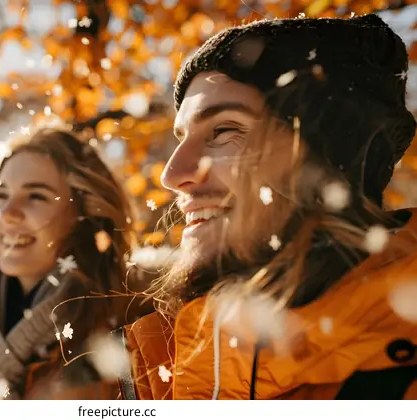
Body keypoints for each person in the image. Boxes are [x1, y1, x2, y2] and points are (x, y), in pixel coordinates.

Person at [116, 14, 417, 400]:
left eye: (224, 130)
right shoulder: (149, 372)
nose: (172, 175)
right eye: (181, 138)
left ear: (327, 160)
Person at [0, 125, 142, 399]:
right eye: (2, 195)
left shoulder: (129, 329)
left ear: (84, 213)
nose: (7, 213)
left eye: (36, 196)